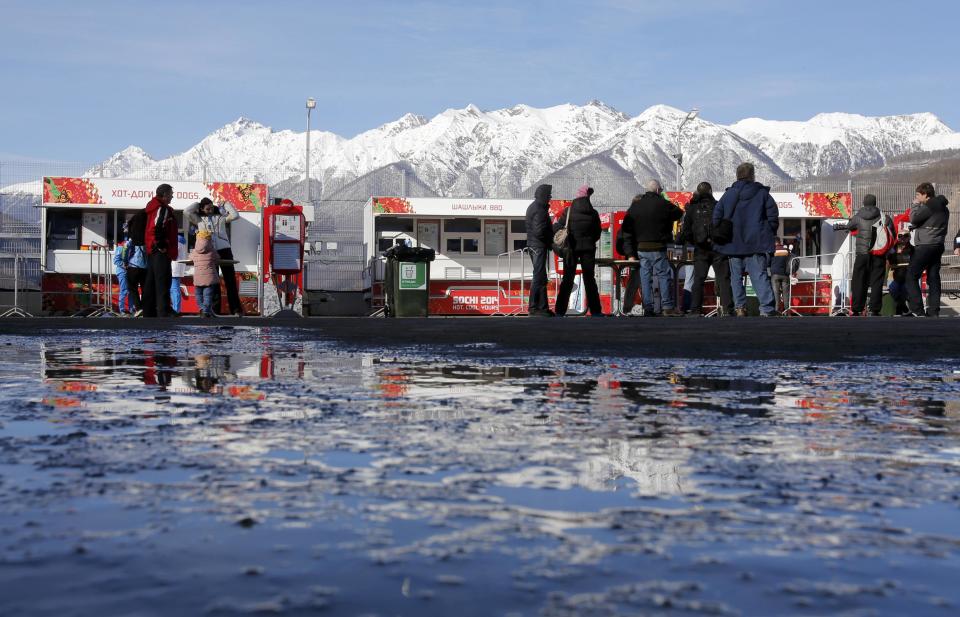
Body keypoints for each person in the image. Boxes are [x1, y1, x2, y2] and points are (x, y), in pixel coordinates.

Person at [712, 162, 779, 317]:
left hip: (733, 243)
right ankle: (767, 309)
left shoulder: (729, 194)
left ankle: (740, 308)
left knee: (736, 277)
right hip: (757, 242)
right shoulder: (762, 194)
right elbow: (773, 216)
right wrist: (768, 230)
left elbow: (716, 217)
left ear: (737, 176)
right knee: (759, 275)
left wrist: (724, 231)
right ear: (753, 175)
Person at [620, 180, 683, 316]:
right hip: (659, 246)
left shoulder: (636, 206)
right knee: (663, 276)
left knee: (645, 276)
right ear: (657, 190)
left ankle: (648, 307)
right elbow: (678, 213)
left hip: (641, 248)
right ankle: (667, 307)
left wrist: (630, 252)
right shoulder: (662, 204)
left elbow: (626, 227)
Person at [679, 181, 733, 316]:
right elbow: (727, 226)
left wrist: (696, 241)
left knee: (698, 279)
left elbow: (686, 231)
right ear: (710, 191)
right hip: (718, 248)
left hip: (700, 249)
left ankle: (695, 309)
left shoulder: (692, 209)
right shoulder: (718, 206)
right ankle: (727, 309)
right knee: (723, 278)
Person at [186, 197, 242, 316]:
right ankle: (214, 310)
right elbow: (186, 212)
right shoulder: (199, 220)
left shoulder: (220, 217)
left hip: (225, 250)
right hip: (209, 252)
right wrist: (197, 204)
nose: (210, 210)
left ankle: (236, 309)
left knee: (230, 280)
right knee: (213, 282)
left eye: (211, 207)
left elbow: (235, 215)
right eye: (207, 208)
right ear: (202, 209)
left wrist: (226, 203)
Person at [553, 185, 603, 317]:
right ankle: (596, 311)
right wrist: (590, 241)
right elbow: (598, 233)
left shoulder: (568, 211)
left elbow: (558, 227)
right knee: (589, 279)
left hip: (571, 249)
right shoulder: (593, 213)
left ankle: (560, 311)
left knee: (568, 279)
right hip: (588, 250)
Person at [905, 182, 949, 317]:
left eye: (918, 195)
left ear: (925, 194)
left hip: (925, 245)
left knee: (911, 276)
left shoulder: (930, 205)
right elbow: (931, 222)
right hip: (938, 244)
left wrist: (915, 205)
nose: (917, 197)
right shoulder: (944, 208)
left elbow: (913, 218)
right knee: (933, 277)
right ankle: (933, 311)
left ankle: (918, 310)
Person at [844, 194, 892, 316]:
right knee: (877, 281)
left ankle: (856, 308)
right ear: (875, 203)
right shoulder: (883, 216)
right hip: (878, 253)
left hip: (862, 253)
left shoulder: (858, 216)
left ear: (864, 203)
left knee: (859, 280)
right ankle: (875, 309)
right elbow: (892, 232)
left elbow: (849, 226)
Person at [142, 183, 179, 318]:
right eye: (170, 194)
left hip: (151, 249)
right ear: (164, 195)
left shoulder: (152, 207)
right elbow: (158, 227)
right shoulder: (162, 209)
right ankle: (163, 311)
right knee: (163, 280)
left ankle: (149, 311)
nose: (172, 196)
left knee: (151, 281)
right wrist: (162, 245)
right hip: (159, 250)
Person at [525, 184, 554, 317]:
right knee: (538, 276)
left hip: (535, 245)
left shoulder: (535, 207)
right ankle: (534, 307)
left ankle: (542, 307)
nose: (550, 197)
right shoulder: (539, 209)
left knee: (541, 277)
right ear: (544, 195)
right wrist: (550, 239)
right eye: (549, 195)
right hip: (538, 246)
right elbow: (540, 230)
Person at [190, 229, 220, 317]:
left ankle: (202, 309)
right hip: (209, 279)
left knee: (198, 295)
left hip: (198, 278)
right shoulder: (212, 251)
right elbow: (217, 258)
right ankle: (206, 311)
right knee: (208, 296)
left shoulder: (195, 251)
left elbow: (190, 257)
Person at [125, 210, 148, 317]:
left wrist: (125, 262)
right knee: (144, 288)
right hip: (145, 267)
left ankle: (138, 308)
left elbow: (125, 250)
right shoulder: (147, 239)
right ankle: (145, 307)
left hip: (133, 266)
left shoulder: (131, 239)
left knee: (132, 288)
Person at [769, 237, 797, 314]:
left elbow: (768, 262)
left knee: (776, 293)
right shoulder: (786, 250)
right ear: (779, 242)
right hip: (785, 274)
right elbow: (791, 260)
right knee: (786, 294)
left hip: (775, 275)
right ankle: (787, 312)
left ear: (774, 242)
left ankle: (776, 310)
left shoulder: (772, 250)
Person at [887, 233, 913, 315]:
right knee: (892, 289)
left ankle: (900, 312)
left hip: (907, 276)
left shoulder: (912, 249)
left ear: (909, 238)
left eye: (905, 236)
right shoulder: (893, 248)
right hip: (895, 275)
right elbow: (888, 260)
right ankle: (905, 310)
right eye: (900, 236)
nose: (902, 238)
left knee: (903, 291)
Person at [169, 232, 188, 314]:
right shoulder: (182, 241)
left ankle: (176, 309)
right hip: (178, 267)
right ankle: (176, 308)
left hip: (174, 267)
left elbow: (172, 253)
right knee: (175, 289)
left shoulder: (176, 241)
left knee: (174, 289)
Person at [112, 235, 131, 315]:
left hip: (127, 271)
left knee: (130, 291)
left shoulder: (129, 247)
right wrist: (124, 265)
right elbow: (116, 260)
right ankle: (122, 309)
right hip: (122, 271)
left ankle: (131, 309)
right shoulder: (121, 247)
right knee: (124, 290)